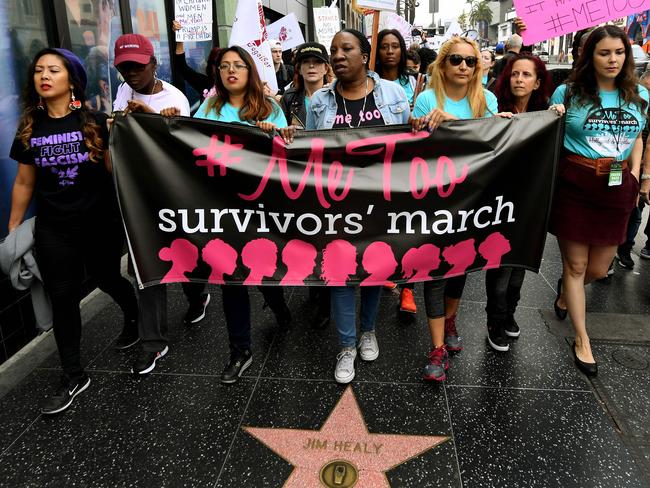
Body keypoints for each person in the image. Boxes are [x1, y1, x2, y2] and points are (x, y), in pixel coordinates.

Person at [8, 48, 138, 414]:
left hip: (99, 223)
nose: (43, 76)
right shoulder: (30, 126)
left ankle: (133, 316)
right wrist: (13, 230)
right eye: (38, 71)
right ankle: (73, 374)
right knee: (62, 298)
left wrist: (115, 139)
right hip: (55, 229)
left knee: (107, 278)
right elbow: (23, 182)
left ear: (71, 80)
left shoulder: (95, 120)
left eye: (53, 70)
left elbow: (116, 174)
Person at [306, 28, 410, 384]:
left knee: (373, 270)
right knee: (339, 275)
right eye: (333, 50)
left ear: (365, 56)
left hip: (380, 203)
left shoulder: (394, 94)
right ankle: (347, 345)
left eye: (346, 48)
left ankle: (368, 330)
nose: (337, 55)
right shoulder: (319, 101)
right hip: (335, 207)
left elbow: (410, 147)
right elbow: (309, 152)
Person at [547, 25, 648, 376]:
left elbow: (638, 136)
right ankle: (582, 338)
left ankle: (563, 296)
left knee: (599, 269)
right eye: (604, 53)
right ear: (590, 56)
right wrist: (553, 115)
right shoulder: (568, 92)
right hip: (575, 183)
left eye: (619, 53)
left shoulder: (638, 96)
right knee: (575, 267)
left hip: (617, 186)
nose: (613, 60)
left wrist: (636, 173)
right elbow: (545, 135)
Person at [193, 45, 292, 383]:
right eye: (224, 66)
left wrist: (276, 135)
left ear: (250, 71)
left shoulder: (270, 108)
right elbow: (188, 143)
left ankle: (277, 305)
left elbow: (287, 155)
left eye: (238, 65)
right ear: (217, 73)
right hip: (221, 206)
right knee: (230, 277)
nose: (231, 71)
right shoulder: (208, 107)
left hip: (260, 207)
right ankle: (240, 350)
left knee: (262, 271)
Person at [112, 33, 208, 375]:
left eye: (138, 66)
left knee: (183, 255)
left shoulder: (176, 98)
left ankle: (198, 294)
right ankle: (153, 343)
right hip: (138, 195)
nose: (132, 73)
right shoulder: (122, 91)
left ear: (154, 63)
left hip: (170, 194)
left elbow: (179, 151)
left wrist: (158, 119)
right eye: (125, 67)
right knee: (144, 266)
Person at [411, 36, 499, 381]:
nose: (464, 67)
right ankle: (437, 347)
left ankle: (450, 319)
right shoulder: (426, 100)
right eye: (457, 60)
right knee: (433, 271)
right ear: (443, 65)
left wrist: (455, 123)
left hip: (474, 199)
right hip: (435, 199)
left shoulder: (486, 99)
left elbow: (494, 144)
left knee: (461, 266)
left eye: (471, 61)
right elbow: (423, 148)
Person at [488, 54, 556, 345]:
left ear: (537, 82)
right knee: (501, 265)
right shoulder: (496, 107)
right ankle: (495, 320)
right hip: (500, 202)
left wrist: (557, 115)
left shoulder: (547, 113)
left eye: (527, 75)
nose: (519, 79)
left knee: (522, 265)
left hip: (531, 202)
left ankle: (510, 313)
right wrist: (493, 124)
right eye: (515, 74)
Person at [617, 70, 650, 268]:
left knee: (635, 210)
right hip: (617, 164)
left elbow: (644, 142)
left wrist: (643, 176)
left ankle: (625, 248)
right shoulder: (626, 103)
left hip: (637, 165)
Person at [280, 42, 332, 128]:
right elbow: (280, 132)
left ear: (326, 68)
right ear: (299, 69)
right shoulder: (289, 97)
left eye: (317, 62)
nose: (311, 66)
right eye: (306, 62)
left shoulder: (335, 95)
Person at [171, 20, 220, 100]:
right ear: (211, 66)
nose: (220, 68)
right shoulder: (205, 83)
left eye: (225, 65)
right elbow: (182, 67)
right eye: (216, 63)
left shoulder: (237, 86)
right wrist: (180, 38)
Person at [374, 29, 418, 105]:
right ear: (377, 51)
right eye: (384, 47)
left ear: (402, 50)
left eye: (395, 46)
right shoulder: (371, 84)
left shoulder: (413, 81)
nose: (390, 51)